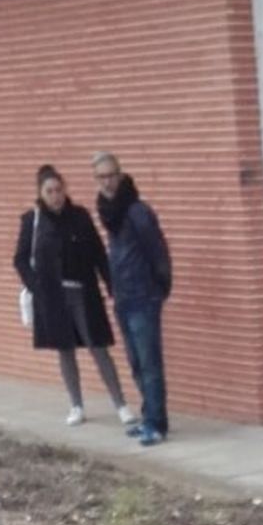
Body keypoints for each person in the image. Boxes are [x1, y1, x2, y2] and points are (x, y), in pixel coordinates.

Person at [13, 164, 135, 430]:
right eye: (50, 191)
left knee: (97, 346)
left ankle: (121, 404)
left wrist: (112, 286)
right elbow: (21, 259)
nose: (56, 196)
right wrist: (37, 288)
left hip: (83, 292)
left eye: (59, 189)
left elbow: (98, 254)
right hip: (54, 297)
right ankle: (76, 405)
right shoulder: (31, 221)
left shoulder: (79, 216)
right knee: (65, 350)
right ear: (41, 193)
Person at [92, 150, 173, 447]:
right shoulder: (106, 209)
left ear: (121, 175)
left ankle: (157, 423)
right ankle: (148, 415)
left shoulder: (137, 211)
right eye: (101, 177)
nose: (107, 182)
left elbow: (157, 250)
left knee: (150, 363)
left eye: (111, 175)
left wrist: (160, 287)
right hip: (123, 297)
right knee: (136, 362)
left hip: (143, 296)